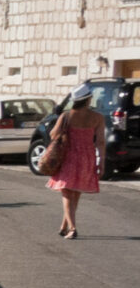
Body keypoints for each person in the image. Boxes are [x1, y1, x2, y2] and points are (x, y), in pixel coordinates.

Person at [44, 92, 103, 238]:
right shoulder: (97, 117)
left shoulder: (66, 116)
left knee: (67, 192)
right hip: (87, 157)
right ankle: (64, 226)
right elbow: (100, 141)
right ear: (88, 99)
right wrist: (101, 161)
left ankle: (72, 228)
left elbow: (53, 134)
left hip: (69, 156)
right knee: (75, 193)